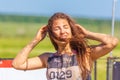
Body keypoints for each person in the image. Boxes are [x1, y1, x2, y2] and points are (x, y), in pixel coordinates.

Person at [12, 12, 119, 80]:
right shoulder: (48, 58)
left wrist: (87, 34)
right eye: (57, 28)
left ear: (71, 30)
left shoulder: (85, 54)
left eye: (65, 27)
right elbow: (17, 64)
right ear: (51, 34)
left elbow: (112, 42)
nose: (63, 31)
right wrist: (35, 41)